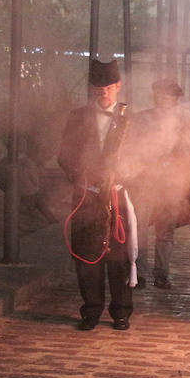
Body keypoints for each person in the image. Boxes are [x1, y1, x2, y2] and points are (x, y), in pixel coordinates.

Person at [58, 59, 136, 331]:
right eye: (98, 87)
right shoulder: (77, 117)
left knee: (119, 256)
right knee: (86, 256)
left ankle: (121, 311)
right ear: (92, 89)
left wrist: (124, 175)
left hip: (117, 195)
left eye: (109, 87)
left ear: (118, 86)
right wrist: (79, 175)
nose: (103, 92)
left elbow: (142, 158)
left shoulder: (129, 119)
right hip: (86, 195)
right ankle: (90, 310)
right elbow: (64, 155)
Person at [129, 79, 185, 291]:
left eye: (168, 96)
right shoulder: (141, 119)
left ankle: (162, 273)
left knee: (165, 232)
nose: (163, 99)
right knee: (140, 229)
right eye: (160, 95)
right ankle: (139, 272)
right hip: (144, 182)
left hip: (170, 183)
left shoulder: (183, 123)